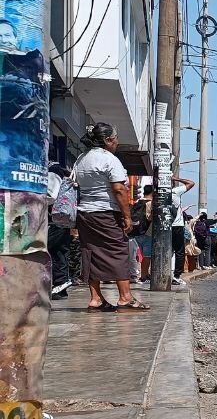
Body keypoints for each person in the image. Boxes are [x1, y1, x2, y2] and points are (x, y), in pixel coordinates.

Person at [71, 123, 149, 311]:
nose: (117, 142)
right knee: (118, 250)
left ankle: (95, 298)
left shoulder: (81, 159)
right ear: (107, 140)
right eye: (115, 138)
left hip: (84, 213)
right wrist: (127, 217)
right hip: (106, 213)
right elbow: (119, 189)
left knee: (90, 251)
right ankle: (125, 297)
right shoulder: (109, 159)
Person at [46, 162, 73, 300]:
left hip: (54, 219)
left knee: (48, 248)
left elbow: (50, 195)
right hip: (62, 218)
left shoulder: (53, 170)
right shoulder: (59, 170)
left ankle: (59, 285)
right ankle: (60, 287)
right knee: (59, 252)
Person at [168, 177, 196, 284]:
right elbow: (191, 183)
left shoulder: (157, 194)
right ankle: (176, 276)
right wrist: (176, 178)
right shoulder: (175, 191)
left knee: (166, 251)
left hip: (163, 227)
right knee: (179, 251)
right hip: (177, 226)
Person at [132, 185, 154, 281]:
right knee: (147, 256)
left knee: (143, 254)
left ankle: (146, 273)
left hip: (137, 232)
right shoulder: (150, 203)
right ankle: (143, 275)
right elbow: (150, 218)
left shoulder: (137, 203)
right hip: (147, 232)